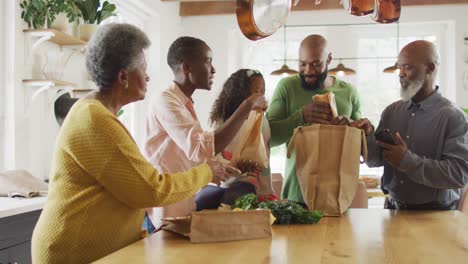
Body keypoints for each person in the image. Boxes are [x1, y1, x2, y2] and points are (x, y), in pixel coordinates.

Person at [31, 24, 219, 264]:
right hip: (71, 253)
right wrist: (207, 172)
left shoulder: (98, 114)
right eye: (143, 68)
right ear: (123, 77)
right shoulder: (94, 118)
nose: (148, 76)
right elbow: (151, 190)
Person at [143, 37, 268, 226]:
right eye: (208, 61)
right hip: (165, 207)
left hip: (182, 203)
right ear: (187, 67)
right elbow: (202, 147)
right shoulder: (165, 101)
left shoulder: (184, 104)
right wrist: (248, 104)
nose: (213, 69)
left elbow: (193, 154)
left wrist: (221, 167)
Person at [353, 40, 468, 210]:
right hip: (392, 211)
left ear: (430, 68)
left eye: (407, 67)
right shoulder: (391, 112)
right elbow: (376, 160)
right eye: (399, 67)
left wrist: (408, 161)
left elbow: (459, 175)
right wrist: (368, 136)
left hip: (436, 215)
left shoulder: (454, 117)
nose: (400, 74)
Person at [266, 34, 362, 203]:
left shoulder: (349, 92)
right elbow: (269, 138)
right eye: (302, 64)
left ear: (329, 59)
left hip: (337, 195)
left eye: (316, 64)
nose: (308, 71)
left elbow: (360, 144)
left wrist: (351, 128)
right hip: (296, 195)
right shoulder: (287, 87)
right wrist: (301, 116)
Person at [208, 69, 274, 205]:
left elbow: (263, 155)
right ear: (239, 94)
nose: (260, 96)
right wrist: (235, 165)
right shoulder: (224, 122)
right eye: (256, 92)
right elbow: (214, 154)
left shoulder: (262, 120)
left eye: (263, 91)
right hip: (228, 183)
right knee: (207, 201)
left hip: (256, 186)